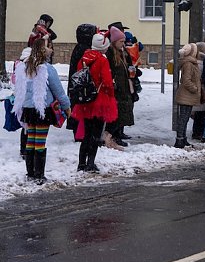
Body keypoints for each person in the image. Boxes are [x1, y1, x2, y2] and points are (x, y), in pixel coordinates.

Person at [13, 39, 70, 184]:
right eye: (48, 47)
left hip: (28, 110)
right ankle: (39, 174)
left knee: (31, 139)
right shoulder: (47, 69)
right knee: (40, 141)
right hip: (42, 109)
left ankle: (30, 172)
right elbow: (58, 91)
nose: (50, 49)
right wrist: (67, 107)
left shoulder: (24, 67)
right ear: (43, 51)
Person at [71, 32, 118, 173]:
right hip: (99, 100)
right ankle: (91, 163)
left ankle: (81, 163)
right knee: (95, 134)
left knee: (86, 133)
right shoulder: (102, 60)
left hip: (85, 100)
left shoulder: (83, 58)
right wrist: (111, 90)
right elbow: (107, 82)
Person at [105, 26, 134, 148]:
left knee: (122, 114)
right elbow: (110, 71)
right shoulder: (110, 53)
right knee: (116, 115)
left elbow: (128, 66)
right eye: (121, 41)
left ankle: (115, 136)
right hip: (116, 88)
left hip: (124, 86)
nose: (123, 44)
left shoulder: (123, 52)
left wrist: (133, 71)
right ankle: (110, 137)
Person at [174, 43, 202, 148]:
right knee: (183, 118)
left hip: (188, 95)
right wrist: (194, 88)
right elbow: (186, 80)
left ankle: (183, 138)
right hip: (187, 95)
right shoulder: (189, 64)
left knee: (185, 118)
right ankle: (179, 139)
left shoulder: (190, 63)